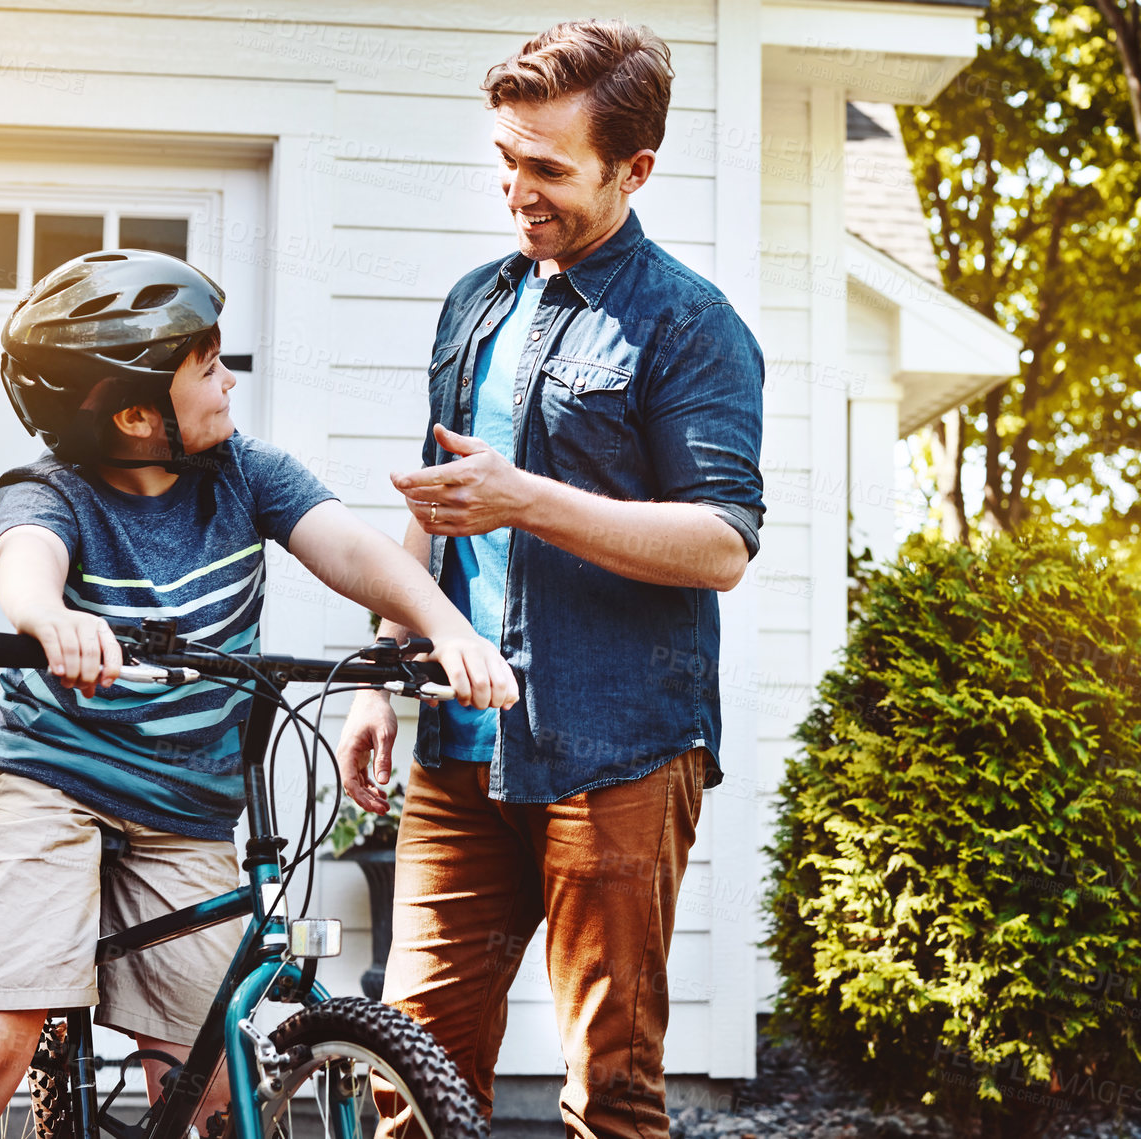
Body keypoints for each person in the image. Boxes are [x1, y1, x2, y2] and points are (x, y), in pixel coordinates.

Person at [0, 248, 517, 1139]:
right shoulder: (55, 488)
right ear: (140, 415)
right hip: (50, 789)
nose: (229, 381)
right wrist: (50, 619)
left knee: (217, 1086)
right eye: (207, 368)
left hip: (186, 807)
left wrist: (446, 629)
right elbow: (26, 559)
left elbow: (350, 549)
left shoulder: (244, 473)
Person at [333, 19, 766, 1139]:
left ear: (634, 169)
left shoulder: (690, 324)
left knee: (609, 1090)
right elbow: (436, 508)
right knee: (408, 1066)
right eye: (505, 160)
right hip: (459, 748)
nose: (515, 191)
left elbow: (721, 540)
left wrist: (529, 497)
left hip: (615, 747)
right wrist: (381, 672)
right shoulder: (475, 301)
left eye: (546, 168)